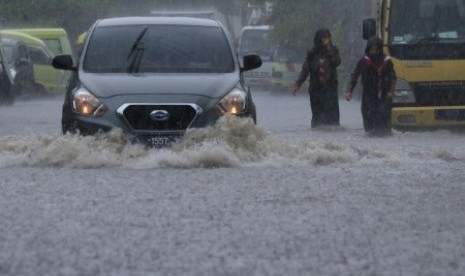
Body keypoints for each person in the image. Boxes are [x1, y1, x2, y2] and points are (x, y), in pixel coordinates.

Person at [345, 36, 397, 137]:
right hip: (368, 94)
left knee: (384, 123)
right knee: (369, 122)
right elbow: (354, 75)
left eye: (376, 50)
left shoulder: (387, 62)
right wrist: (349, 91)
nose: (373, 52)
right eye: (371, 50)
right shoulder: (364, 61)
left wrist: (391, 91)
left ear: (380, 49)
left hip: (384, 96)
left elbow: (393, 77)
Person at [293, 28, 341, 128]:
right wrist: (298, 84)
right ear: (319, 39)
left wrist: (329, 49)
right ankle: (316, 138)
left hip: (330, 89)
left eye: (327, 37)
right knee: (317, 117)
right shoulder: (312, 53)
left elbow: (337, 62)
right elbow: (305, 70)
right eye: (323, 38)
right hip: (316, 89)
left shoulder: (334, 50)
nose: (326, 40)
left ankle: (333, 139)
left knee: (332, 117)